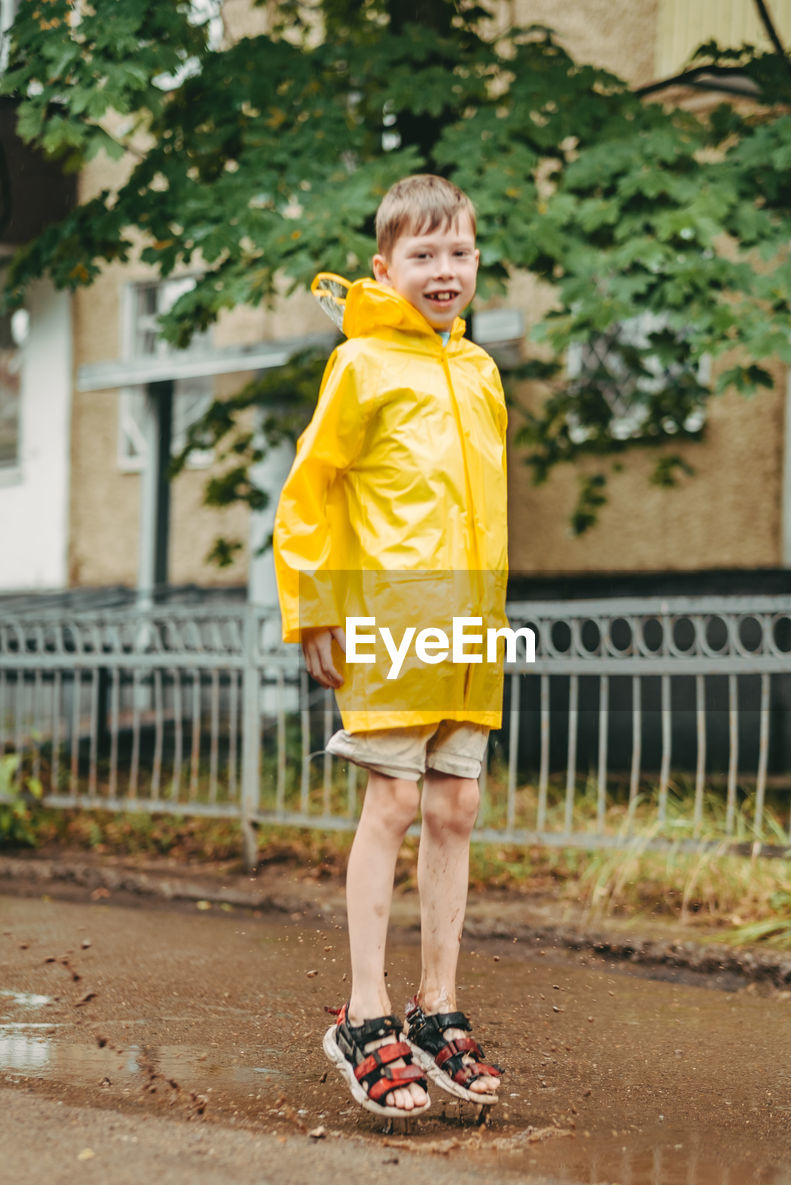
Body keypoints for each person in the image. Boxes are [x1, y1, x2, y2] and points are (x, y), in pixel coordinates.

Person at [273, 174, 507, 1118]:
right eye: (422, 255)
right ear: (385, 267)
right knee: (396, 801)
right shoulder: (361, 365)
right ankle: (364, 1014)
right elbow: (311, 491)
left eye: (457, 252)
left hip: (470, 628)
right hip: (385, 622)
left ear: (476, 262)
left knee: (455, 807)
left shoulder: (481, 372)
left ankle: (435, 1008)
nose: (442, 270)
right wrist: (315, 610)